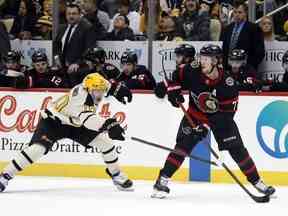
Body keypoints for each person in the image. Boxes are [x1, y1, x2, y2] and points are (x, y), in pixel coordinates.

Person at [152, 44, 275, 199]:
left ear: (216, 61)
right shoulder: (192, 69)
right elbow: (176, 78)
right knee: (183, 146)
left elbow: (228, 114)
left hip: (220, 119)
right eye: (201, 57)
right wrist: (172, 92)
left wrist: (205, 126)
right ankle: (162, 180)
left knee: (237, 150)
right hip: (194, 115)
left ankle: (257, 182)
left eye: (206, 59)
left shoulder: (227, 84)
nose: (201, 61)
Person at [0, 73, 134, 192]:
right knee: (37, 150)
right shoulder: (80, 98)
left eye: (101, 91)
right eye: (96, 91)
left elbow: (106, 85)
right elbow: (88, 121)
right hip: (54, 122)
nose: (99, 94)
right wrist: (109, 125)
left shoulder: (93, 85)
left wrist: (116, 89)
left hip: (76, 123)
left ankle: (116, 175)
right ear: (88, 89)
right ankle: (4, 176)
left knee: (106, 143)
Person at [221, 1, 265, 71]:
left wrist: (249, 66)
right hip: (228, 69)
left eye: (240, 12)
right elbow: (224, 50)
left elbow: (260, 52)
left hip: (246, 69)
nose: (237, 15)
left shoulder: (254, 28)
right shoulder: (228, 28)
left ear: (246, 13)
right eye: (235, 12)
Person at [53, 3, 93, 74]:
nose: (71, 16)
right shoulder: (61, 28)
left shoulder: (87, 28)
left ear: (79, 15)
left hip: (78, 69)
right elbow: (56, 45)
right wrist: (56, 58)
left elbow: (89, 49)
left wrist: (77, 63)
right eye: (69, 14)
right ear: (66, 15)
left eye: (74, 14)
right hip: (62, 68)